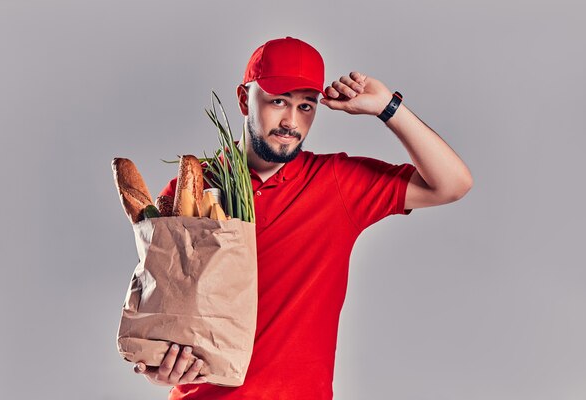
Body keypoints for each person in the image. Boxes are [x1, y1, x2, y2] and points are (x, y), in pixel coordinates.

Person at [133, 36, 473, 399]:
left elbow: (452, 184)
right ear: (243, 99)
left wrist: (387, 108)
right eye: (278, 101)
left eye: (306, 106)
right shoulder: (191, 188)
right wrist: (157, 369)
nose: (291, 122)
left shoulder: (336, 184)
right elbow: (160, 311)